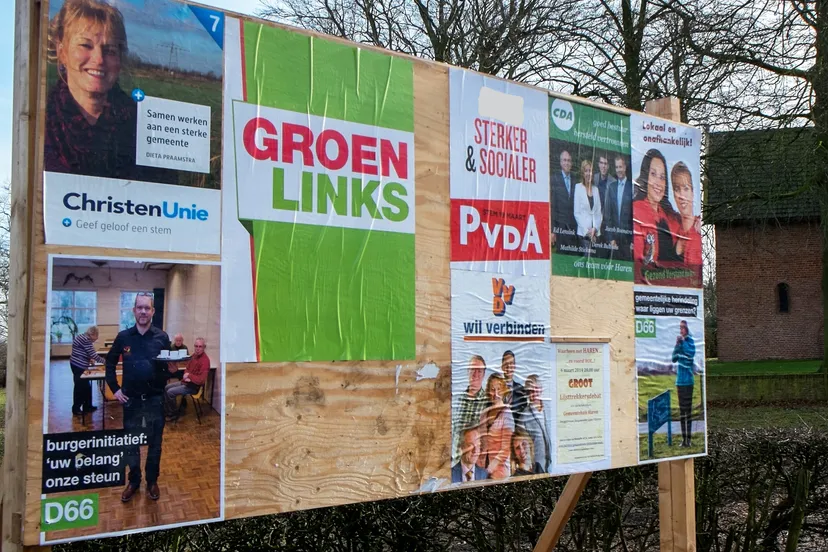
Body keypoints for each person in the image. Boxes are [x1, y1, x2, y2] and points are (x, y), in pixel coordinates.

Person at [44, 0, 176, 183]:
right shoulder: (40, 121)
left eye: (110, 50)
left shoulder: (146, 127)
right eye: (85, 45)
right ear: (62, 51)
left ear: (120, 59)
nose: (98, 59)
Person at [105, 292, 171, 502]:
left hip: (155, 399)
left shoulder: (162, 337)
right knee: (131, 442)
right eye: (139, 307)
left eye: (147, 308)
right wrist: (115, 388)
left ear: (153, 311)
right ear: (134, 311)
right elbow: (109, 363)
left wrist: (172, 369)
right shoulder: (124, 337)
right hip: (131, 400)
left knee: (155, 443)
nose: (143, 311)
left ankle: (152, 480)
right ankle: (134, 481)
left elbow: (167, 368)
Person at [632, 148, 679, 267]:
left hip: (671, 280)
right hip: (645, 281)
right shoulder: (636, 211)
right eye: (653, 174)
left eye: (662, 177)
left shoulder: (669, 215)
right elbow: (637, 260)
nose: (658, 182)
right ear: (645, 177)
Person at [452, 355, 488, 464]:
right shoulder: (457, 399)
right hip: (454, 461)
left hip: (475, 464)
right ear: (467, 371)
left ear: (484, 374)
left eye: (479, 371)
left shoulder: (489, 402)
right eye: (472, 369)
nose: (475, 374)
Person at [477, 374, 515, 480]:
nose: (496, 393)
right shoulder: (484, 414)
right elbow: (481, 443)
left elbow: (506, 448)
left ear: (503, 391)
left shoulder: (507, 413)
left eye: (499, 389)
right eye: (492, 389)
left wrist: (490, 468)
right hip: (481, 468)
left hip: (500, 471)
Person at [164, 337, 210, 420]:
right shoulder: (193, 356)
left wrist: (189, 376)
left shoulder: (205, 361)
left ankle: (173, 413)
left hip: (193, 387)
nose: (197, 349)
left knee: (170, 392)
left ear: (204, 347)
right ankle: (168, 410)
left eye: (200, 346)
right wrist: (186, 375)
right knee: (166, 387)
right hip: (186, 382)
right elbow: (187, 368)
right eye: (196, 346)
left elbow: (201, 380)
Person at [670, 162, 702, 269]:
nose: (681, 196)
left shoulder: (698, 232)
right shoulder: (671, 231)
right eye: (677, 189)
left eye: (686, 188)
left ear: (693, 192)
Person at [69, 325, 105, 415]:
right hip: (78, 365)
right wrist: (106, 362)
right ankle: (76, 408)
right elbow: (93, 354)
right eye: (96, 336)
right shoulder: (86, 340)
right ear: (92, 334)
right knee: (80, 387)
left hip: (77, 363)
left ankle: (88, 406)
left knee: (87, 387)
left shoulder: (82, 336)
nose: (96, 339)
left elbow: (85, 352)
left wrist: (89, 358)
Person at [672, 320, 696, 447]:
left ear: (687, 329)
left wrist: (683, 343)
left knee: (688, 412)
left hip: (688, 382)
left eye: (682, 328)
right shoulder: (680, 343)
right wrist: (677, 345)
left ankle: (689, 439)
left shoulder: (690, 342)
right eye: (679, 328)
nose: (680, 330)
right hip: (679, 382)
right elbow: (674, 358)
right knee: (682, 412)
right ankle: (683, 440)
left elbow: (690, 353)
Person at [604, 155, 633, 260]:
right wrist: (610, 238)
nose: (619, 170)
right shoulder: (611, 187)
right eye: (617, 167)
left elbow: (634, 216)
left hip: (628, 241)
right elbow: (607, 215)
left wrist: (633, 240)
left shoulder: (632, 187)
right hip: (614, 240)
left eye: (620, 167)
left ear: (625, 167)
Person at [522, 375, 551, 473]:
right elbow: (524, 444)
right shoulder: (524, 415)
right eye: (530, 391)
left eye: (535, 389)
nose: (533, 394)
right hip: (538, 464)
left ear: (541, 389)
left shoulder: (550, 408)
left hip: (555, 461)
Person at [574, 159, 603, 254]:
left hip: (595, 234)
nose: (588, 173)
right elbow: (577, 213)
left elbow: (598, 212)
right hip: (583, 234)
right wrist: (587, 231)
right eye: (586, 171)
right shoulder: (578, 187)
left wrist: (595, 229)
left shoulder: (596, 189)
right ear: (582, 173)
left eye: (590, 171)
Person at [551, 149, 577, 250]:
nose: (567, 163)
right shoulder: (554, 179)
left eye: (569, 160)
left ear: (571, 163)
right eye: (564, 160)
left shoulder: (576, 180)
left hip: (573, 229)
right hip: (560, 228)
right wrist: (552, 230)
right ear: (561, 162)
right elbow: (552, 206)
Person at [500, 350, 527, 427]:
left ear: (514, 366)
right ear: (502, 366)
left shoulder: (522, 390)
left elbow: (524, 416)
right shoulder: (495, 389)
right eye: (506, 364)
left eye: (511, 363)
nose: (508, 367)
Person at [593, 154, 616, 222]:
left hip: (607, 220)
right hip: (593, 218)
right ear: (598, 164)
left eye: (605, 164)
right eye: (601, 163)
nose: (603, 166)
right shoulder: (593, 179)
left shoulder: (613, 182)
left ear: (608, 166)